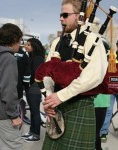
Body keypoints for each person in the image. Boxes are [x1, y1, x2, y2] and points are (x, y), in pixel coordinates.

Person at [42, 0, 108, 149]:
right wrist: (48, 100)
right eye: (60, 15)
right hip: (57, 107)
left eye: (65, 15)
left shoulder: (93, 40)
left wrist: (61, 96)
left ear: (80, 17)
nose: (61, 18)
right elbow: (47, 74)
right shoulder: (57, 42)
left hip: (80, 106)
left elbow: (93, 76)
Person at [0, 23, 24, 150]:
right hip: (3, 114)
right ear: (14, 39)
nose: (20, 44)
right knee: (13, 147)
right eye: (20, 40)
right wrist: (14, 115)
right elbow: (8, 90)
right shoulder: (8, 58)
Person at [21, 38, 45, 142]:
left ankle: (36, 134)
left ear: (34, 46)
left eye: (29, 45)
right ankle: (31, 132)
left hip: (34, 88)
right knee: (32, 110)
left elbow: (35, 74)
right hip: (29, 87)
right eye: (26, 44)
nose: (26, 46)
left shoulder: (38, 58)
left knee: (35, 112)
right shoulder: (31, 57)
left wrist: (26, 83)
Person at [14, 46, 31, 118]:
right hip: (19, 85)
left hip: (5, 85)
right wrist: (26, 85)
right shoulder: (24, 55)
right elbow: (27, 72)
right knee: (17, 104)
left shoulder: (6, 53)